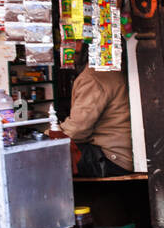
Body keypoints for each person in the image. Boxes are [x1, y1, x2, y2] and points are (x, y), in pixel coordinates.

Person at [51, 47, 134, 177]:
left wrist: (48, 136)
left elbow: (78, 130)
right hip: (125, 154)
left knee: (48, 157)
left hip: (112, 158)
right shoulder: (114, 69)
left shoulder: (93, 77)